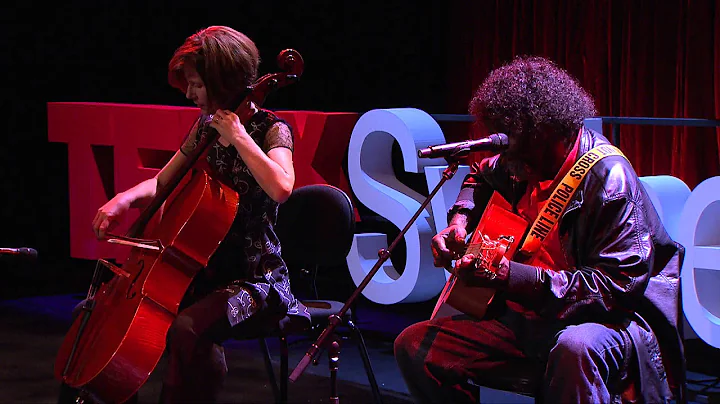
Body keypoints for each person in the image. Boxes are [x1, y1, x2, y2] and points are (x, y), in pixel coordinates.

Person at [394, 56, 685, 403]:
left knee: (575, 348)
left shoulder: (610, 181)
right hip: (533, 317)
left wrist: (511, 277)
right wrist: (459, 221)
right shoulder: (524, 156)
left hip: (609, 325)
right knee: (415, 347)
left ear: (550, 132)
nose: (510, 161)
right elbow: (480, 174)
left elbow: (616, 291)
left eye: (516, 147)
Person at [58, 26, 310, 403]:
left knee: (189, 328)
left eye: (196, 84)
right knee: (94, 315)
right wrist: (123, 200)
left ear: (221, 80)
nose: (190, 94)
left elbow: (281, 187)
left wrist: (239, 137)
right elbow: (163, 183)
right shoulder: (206, 126)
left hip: (257, 283)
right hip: (202, 274)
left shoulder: (272, 130)